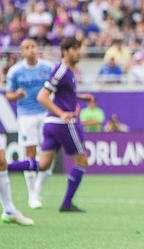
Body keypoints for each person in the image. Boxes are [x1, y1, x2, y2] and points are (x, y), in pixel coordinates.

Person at [8, 37, 94, 213]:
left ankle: (5, 167)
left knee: (43, 164)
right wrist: (62, 113)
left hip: (50, 124)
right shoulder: (62, 71)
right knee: (82, 161)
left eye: (79, 49)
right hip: (62, 123)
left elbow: (61, 94)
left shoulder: (67, 71)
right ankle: (67, 203)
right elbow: (42, 96)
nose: (79, 53)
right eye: (75, 49)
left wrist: (80, 98)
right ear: (66, 51)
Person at [5, 39, 54, 209]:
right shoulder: (15, 71)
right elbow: (8, 94)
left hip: (46, 113)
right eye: (27, 47)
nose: (31, 50)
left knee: (49, 152)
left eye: (33, 46)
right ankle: (32, 193)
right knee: (30, 152)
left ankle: (37, 189)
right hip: (26, 115)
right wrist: (17, 94)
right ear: (22, 52)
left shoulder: (47, 67)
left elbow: (57, 87)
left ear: (37, 49)